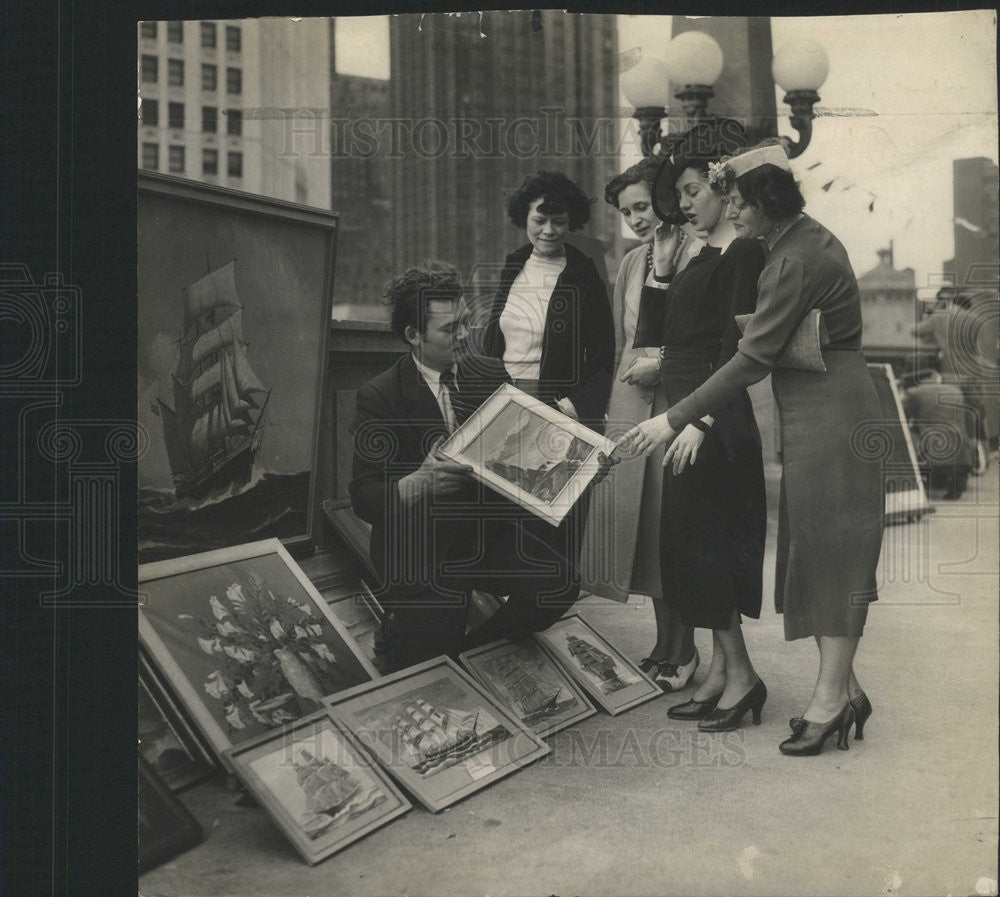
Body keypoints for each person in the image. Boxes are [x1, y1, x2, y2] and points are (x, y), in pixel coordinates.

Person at [621, 140, 884, 756]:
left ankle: (830, 701)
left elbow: (753, 356)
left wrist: (678, 417)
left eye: (738, 201)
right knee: (818, 549)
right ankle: (842, 690)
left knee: (834, 553)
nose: (730, 211)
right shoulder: (795, 243)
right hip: (818, 406)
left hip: (831, 413)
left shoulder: (793, 258)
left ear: (767, 199)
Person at [349, 261, 597, 673]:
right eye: (450, 330)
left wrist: (574, 460)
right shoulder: (380, 395)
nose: (465, 336)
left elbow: (528, 446)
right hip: (420, 551)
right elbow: (364, 498)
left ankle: (473, 654)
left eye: (466, 322)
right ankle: (414, 636)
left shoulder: (489, 372)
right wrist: (420, 481)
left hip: (483, 538)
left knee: (558, 584)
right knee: (425, 669)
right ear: (414, 336)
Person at [632, 121, 768, 724]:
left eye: (692, 192)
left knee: (708, 547)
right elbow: (658, 343)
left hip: (711, 417)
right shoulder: (701, 253)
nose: (683, 205)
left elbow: (739, 349)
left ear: (722, 187)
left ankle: (742, 679)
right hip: (687, 409)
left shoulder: (742, 251)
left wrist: (703, 418)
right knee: (690, 547)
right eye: (681, 195)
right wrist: (661, 275)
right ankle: (721, 672)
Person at [578, 156, 701, 690]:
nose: (637, 219)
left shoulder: (700, 251)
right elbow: (620, 341)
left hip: (679, 402)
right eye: (628, 212)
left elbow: (700, 337)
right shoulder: (630, 264)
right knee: (642, 532)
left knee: (675, 529)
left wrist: (668, 366)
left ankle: (688, 647)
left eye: (644, 206)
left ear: (666, 199)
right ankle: (662, 644)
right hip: (632, 404)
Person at [480, 170, 615, 432]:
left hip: (557, 406)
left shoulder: (584, 274)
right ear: (524, 218)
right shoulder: (513, 264)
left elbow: (603, 356)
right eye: (540, 220)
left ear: (570, 221)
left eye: (559, 221)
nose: (549, 231)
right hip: (501, 400)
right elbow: (493, 340)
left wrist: (571, 407)